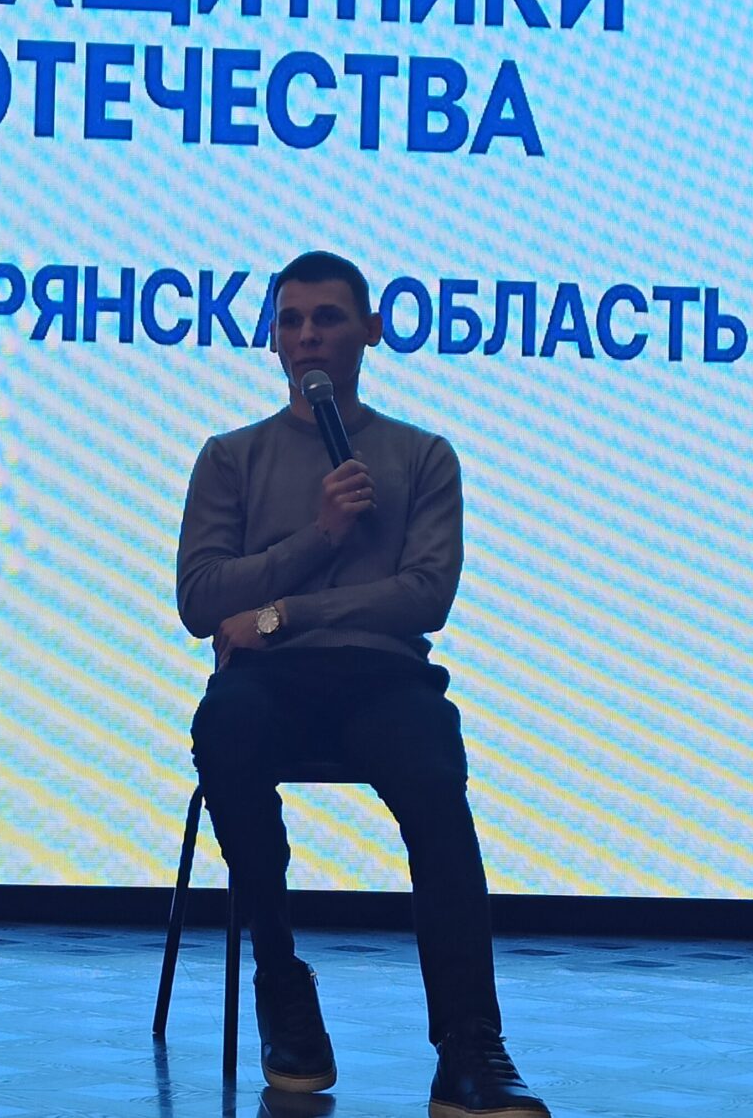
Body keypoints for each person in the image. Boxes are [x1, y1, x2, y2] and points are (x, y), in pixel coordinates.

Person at [175, 250, 549, 1118]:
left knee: (432, 768)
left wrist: (280, 612)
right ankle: (281, 982)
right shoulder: (230, 457)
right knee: (225, 731)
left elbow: (425, 596)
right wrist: (319, 535)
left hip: (383, 677)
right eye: (291, 320)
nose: (308, 335)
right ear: (273, 340)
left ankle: (469, 1045)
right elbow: (200, 600)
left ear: (371, 332)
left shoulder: (422, 455)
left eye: (328, 317)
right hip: (269, 683)